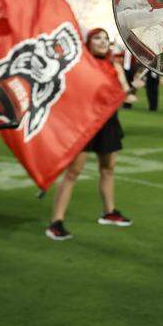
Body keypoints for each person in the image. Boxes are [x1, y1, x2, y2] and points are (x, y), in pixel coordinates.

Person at [45, 27, 135, 241]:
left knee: (108, 169)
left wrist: (132, 89)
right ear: (89, 42)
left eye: (105, 38)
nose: (102, 42)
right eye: (97, 38)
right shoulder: (82, 65)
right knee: (73, 172)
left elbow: (126, 96)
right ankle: (56, 222)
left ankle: (109, 212)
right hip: (83, 123)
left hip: (108, 123)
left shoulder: (115, 66)